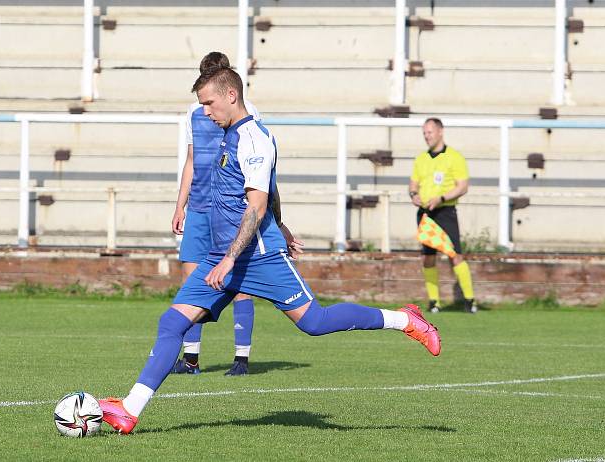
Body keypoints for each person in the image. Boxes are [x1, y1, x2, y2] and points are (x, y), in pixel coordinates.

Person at [98, 68, 441, 435]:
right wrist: (276, 227)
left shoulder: (254, 138)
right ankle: (129, 410)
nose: (205, 112)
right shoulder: (228, 135)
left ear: (230, 95)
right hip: (221, 256)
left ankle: (406, 320)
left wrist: (236, 255)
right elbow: (266, 189)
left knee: (315, 323)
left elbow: (257, 205)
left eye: (209, 103)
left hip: (256, 257)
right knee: (172, 323)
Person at [171, 51, 302, 377]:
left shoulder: (249, 121)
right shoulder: (193, 114)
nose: (207, 109)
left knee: (242, 283)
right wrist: (180, 203)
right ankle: (191, 358)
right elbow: (191, 160)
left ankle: (241, 357)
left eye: (210, 99)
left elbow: (264, 183)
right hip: (201, 209)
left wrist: (279, 223)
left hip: (235, 214)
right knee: (192, 284)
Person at [408, 117, 477, 314]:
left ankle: (470, 300)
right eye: (424, 133)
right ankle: (434, 302)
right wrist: (414, 195)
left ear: (440, 131)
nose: (426, 136)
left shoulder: (454, 157)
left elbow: (462, 186)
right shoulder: (421, 158)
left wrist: (442, 198)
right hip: (425, 214)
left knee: (455, 255)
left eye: (429, 132)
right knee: (428, 258)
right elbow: (413, 184)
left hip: (445, 211)